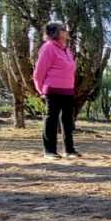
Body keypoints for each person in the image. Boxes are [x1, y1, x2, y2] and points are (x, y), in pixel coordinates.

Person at [34, 22, 78, 160]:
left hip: (68, 91)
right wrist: (40, 89)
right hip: (52, 90)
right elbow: (39, 72)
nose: (66, 31)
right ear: (55, 33)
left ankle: (69, 150)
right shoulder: (48, 48)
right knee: (51, 119)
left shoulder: (67, 49)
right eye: (63, 29)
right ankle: (49, 151)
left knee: (67, 121)